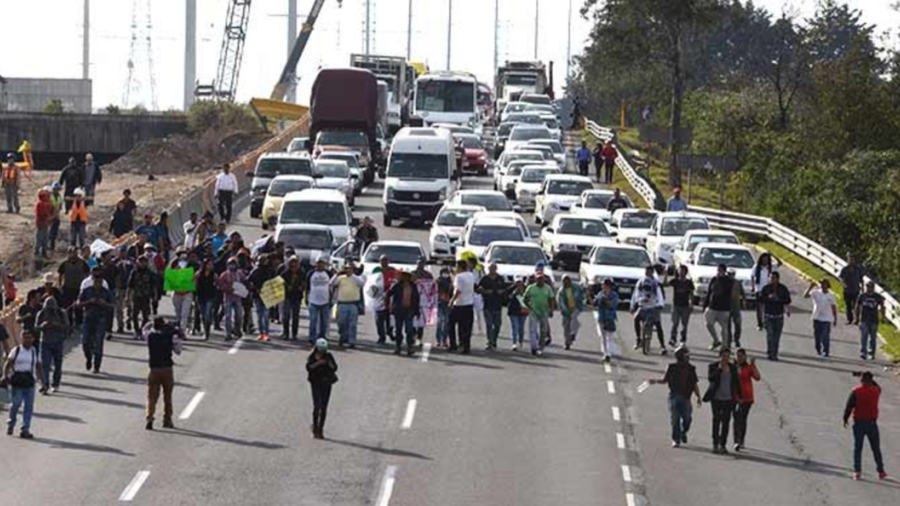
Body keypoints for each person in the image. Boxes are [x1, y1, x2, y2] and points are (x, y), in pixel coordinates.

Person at [648, 345, 702, 448]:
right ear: (680, 356)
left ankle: (683, 432)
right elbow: (665, 380)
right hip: (674, 397)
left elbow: (694, 384)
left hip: (686, 397)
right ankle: (676, 439)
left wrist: (698, 397)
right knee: (675, 418)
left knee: (687, 419)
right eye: (686, 356)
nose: (688, 358)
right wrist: (655, 381)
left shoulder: (691, 369)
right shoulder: (672, 367)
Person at [843, 371, 887, 481]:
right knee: (876, 448)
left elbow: (849, 406)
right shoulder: (876, 390)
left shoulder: (856, 391)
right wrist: (869, 378)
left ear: (861, 380)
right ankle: (881, 471)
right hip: (872, 423)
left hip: (859, 423)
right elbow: (876, 385)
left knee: (858, 448)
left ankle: (857, 472)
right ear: (871, 380)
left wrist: (845, 418)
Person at [145, 317, 183, 430]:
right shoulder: (170, 336)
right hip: (167, 369)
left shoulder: (150, 336)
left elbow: (144, 329)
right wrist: (174, 331)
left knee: (151, 396)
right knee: (167, 396)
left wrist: (151, 323)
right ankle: (167, 419)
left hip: (154, 369)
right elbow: (178, 351)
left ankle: (149, 417)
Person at [3, 329, 43, 439]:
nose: (27, 340)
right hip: (17, 381)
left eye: (29, 337)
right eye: (25, 337)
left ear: (33, 339)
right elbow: (8, 363)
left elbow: (39, 366)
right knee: (16, 403)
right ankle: (11, 423)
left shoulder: (34, 351)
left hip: (29, 382)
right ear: (21, 339)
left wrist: (43, 381)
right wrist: (4, 375)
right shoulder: (16, 350)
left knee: (28, 407)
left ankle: (25, 429)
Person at [704, 347, 741, 454]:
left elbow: (736, 383)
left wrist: (740, 396)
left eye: (728, 356)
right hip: (716, 399)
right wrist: (719, 369)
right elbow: (710, 379)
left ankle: (723, 444)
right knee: (716, 420)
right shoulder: (713, 366)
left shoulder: (732, 368)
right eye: (724, 356)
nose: (726, 358)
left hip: (729, 399)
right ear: (720, 356)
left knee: (726, 422)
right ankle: (715, 444)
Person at [79, 266, 114, 373]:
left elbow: (112, 305)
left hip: (100, 319)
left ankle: (97, 366)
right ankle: (89, 358)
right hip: (88, 318)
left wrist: (104, 304)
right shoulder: (86, 290)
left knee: (98, 343)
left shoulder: (105, 291)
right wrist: (89, 301)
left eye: (99, 280)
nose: (97, 282)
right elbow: (78, 304)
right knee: (85, 342)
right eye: (95, 280)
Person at [35, 297, 69, 394]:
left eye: (51, 308)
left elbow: (67, 326)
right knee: (45, 365)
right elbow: (36, 328)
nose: (50, 310)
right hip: (45, 342)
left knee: (58, 365)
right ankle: (45, 384)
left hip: (58, 342)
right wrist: (43, 326)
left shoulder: (61, 313)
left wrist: (57, 325)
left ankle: (56, 384)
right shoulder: (41, 313)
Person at [306, 338, 338, 439]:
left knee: (324, 407)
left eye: (324, 350)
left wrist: (328, 363)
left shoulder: (329, 356)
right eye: (321, 350)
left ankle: (321, 428)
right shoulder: (312, 357)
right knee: (317, 406)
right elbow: (309, 368)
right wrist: (318, 363)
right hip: (315, 383)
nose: (323, 352)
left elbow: (335, 368)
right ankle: (315, 427)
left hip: (326, 383)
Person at [631, 266, 667, 354]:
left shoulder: (656, 283)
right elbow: (636, 293)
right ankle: (638, 339)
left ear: (652, 272)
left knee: (658, 325)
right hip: (643, 306)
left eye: (649, 271)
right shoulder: (641, 281)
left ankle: (662, 346)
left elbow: (660, 295)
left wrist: (660, 305)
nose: (647, 273)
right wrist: (633, 304)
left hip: (653, 307)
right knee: (636, 319)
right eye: (646, 271)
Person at [331, 261, 365, 348]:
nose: (347, 270)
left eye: (349, 268)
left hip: (353, 304)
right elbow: (331, 283)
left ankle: (351, 341)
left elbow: (362, 283)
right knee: (341, 323)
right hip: (342, 304)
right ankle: (343, 337)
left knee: (352, 324)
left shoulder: (357, 278)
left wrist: (352, 274)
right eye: (346, 268)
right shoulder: (341, 278)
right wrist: (337, 274)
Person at [387, 270, 420, 357]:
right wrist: (389, 306)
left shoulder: (413, 286)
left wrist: (417, 311)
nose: (405, 278)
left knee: (409, 330)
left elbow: (416, 299)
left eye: (407, 276)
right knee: (398, 329)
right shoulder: (397, 286)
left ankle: (410, 347)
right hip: (398, 311)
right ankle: (398, 347)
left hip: (410, 310)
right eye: (403, 276)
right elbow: (388, 294)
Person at [759, 272, 791, 361]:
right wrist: (768, 297)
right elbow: (761, 301)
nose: (771, 279)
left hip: (779, 316)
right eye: (770, 278)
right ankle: (770, 352)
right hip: (768, 316)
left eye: (773, 278)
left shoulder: (783, 288)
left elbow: (787, 300)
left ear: (778, 278)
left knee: (776, 337)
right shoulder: (766, 288)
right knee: (770, 335)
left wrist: (780, 301)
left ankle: (775, 353)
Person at [732, 348, 760, 452]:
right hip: (735, 397)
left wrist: (753, 365)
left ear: (745, 357)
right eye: (737, 356)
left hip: (747, 398)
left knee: (742, 419)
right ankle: (736, 441)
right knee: (736, 418)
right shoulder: (732, 367)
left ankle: (741, 439)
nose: (739, 358)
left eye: (741, 356)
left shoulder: (748, 368)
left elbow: (757, 377)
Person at [804, 279, 838, 357]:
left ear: (828, 285)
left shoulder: (831, 295)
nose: (823, 285)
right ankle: (818, 348)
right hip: (817, 317)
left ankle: (826, 351)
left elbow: (834, 307)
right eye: (822, 284)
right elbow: (805, 296)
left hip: (827, 318)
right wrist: (810, 287)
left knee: (825, 335)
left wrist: (835, 319)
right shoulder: (816, 293)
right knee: (817, 336)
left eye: (824, 284)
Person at [524, 273, 555, 357]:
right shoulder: (531, 288)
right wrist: (529, 307)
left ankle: (540, 347)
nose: (540, 280)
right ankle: (533, 348)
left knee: (544, 331)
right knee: (532, 330)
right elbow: (525, 299)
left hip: (544, 311)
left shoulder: (547, 288)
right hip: (534, 311)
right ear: (535, 279)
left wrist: (551, 310)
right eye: (538, 279)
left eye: (541, 279)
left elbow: (551, 299)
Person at [478, 263, 507, 350]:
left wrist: (501, 292)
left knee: (497, 325)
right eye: (491, 268)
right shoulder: (485, 279)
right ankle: (489, 342)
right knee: (489, 324)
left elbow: (505, 289)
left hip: (498, 305)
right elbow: (479, 289)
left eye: (494, 268)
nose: (492, 270)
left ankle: (494, 340)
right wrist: (485, 291)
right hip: (487, 305)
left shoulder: (500, 279)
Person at [448, 259, 475, 354]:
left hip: (459, 304)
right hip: (469, 304)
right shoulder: (471, 275)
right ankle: (465, 346)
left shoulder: (459, 277)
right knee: (466, 327)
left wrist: (451, 301)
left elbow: (458, 290)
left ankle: (453, 344)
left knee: (451, 324)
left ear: (459, 267)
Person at [703, 264, 733, 350]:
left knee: (724, 328)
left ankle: (724, 346)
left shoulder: (728, 281)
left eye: (720, 270)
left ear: (724, 271)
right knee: (709, 324)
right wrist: (705, 304)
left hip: (724, 308)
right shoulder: (714, 279)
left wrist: (731, 308)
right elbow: (710, 291)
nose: (718, 272)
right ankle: (716, 340)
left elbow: (729, 293)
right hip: (712, 306)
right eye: (718, 270)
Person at [127, 255, 157, 339]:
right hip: (136, 297)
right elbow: (130, 285)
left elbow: (154, 285)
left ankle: (142, 330)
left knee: (146, 316)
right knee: (134, 315)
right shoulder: (134, 272)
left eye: (144, 261)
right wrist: (127, 296)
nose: (142, 263)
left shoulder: (150, 273)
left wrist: (155, 296)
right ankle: (137, 331)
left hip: (145, 297)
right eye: (140, 261)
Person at [217, 257, 247, 341]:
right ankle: (228, 333)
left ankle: (237, 329)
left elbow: (245, 282)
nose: (232, 266)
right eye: (230, 264)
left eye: (233, 264)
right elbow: (220, 285)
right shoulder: (224, 274)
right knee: (228, 316)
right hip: (228, 297)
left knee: (239, 316)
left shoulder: (240, 274)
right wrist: (228, 289)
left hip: (238, 297)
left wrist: (243, 289)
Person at [168, 249, 196, 333]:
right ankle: (179, 328)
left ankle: (182, 331)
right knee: (178, 313)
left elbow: (195, 278)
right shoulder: (173, 264)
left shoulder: (193, 265)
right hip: (176, 293)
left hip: (187, 293)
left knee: (185, 313)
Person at [751, 253, 782, 329]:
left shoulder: (771, 267)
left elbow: (780, 263)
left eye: (767, 259)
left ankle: (766, 322)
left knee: (767, 308)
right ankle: (759, 323)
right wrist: (753, 287)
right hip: (759, 289)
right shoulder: (757, 267)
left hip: (768, 290)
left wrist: (773, 255)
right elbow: (752, 276)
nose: (765, 261)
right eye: (763, 259)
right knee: (759, 308)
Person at [856, 281, 885, 361]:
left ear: (873, 287)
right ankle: (863, 353)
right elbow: (857, 306)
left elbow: (882, 306)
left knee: (872, 338)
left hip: (874, 319)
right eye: (868, 286)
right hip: (864, 319)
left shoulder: (877, 297)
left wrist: (883, 316)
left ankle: (871, 353)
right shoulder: (862, 296)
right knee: (864, 337)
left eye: (871, 287)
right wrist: (857, 318)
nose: (869, 288)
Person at [666, 265, 694, 346]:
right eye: (679, 270)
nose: (681, 272)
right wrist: (666, 274)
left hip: (685, 306)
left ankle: (683, 339)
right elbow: (664, 284)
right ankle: (673, 339)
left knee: (684, 325)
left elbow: (691, 294)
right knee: (674, 323)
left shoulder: (688, 282)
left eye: (682, 271)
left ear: (686, 272)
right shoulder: (675, 281)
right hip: (676, 305)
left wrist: (691, 304)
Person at [280, 256, 306, 341]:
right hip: (287, 297)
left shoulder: (301, 273)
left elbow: (304, 283)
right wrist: (286, 287)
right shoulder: (285, 273)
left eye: (295, 263)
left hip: (297, 297)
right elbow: (280, 283)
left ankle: (294, 334)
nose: (294, 264)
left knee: (295, 316)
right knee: (286, 316)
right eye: (292, 262)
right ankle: (285, 333)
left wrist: (301, 287)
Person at [594, 278, 619, 362]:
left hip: (610, 318)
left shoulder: (614, 295)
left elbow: (613, 305)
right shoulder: (600, 294)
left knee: (610, 337)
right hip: (601, 318)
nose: (602, 286)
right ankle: (605, 353)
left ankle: (609, 353)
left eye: (604, 285)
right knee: (603, 337)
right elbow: (595, 302)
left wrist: (605, 300)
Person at [557, 275, 584, 350]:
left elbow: (581, 294)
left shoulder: (576, 287)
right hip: (566, 310)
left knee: (573, 317)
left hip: (576, 307)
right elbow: (560, 302)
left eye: (568, 280)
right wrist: (565, 310)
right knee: (566, 326)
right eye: (564, 280)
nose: (566, 282)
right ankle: (567, 342)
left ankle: (573, 333)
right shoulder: (561, 291)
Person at [840, 254, 865, 324]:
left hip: (856, 290)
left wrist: (863, 288)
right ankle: (849, 319)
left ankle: (856, 319)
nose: (851, 261)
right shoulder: (845, 269)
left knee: (856, 305)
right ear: (847, 260)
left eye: (852, 259)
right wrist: (843, 284)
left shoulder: (858, 269)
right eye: (849, 259)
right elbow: (841, 278)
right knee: (848, 305)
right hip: (847, 290)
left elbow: (861, 279)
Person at [506, 277, 527, 352]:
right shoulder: (511, 290)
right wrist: (514, 289)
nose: (519, 284)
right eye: (517, 283)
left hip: (523, 312)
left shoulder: (526, 290)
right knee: (515, 327)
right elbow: (506, 296)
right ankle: (514, 343)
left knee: (521, 328)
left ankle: (520, 341)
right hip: (513, 312)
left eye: (520, 283)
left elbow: (529, 299)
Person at [34, 188, 55, 258]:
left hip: (44, 224)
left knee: (44, 239)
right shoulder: (40, 204)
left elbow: (52, 210)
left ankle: (43, 253)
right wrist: (49, 217)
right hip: (41, 224)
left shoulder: (46, 203)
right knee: (39, 239)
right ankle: (37, 253)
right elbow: (42, 215)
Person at [436, 267, 453, 348]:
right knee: (440, 322)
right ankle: (439, 340)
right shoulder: (438, 281)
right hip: (440, 302)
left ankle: (444, 340)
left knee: (446, 322)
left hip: (448, 303)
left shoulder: (451, 281)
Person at [728, 269, 745, 348]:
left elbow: (743, 293)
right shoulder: (725, 283)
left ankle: (736, 339)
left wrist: (744, 302)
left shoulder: (737, 283)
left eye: (732, 274)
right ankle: (728, 340)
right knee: (727, 326)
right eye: (729, 274)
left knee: (738, 325)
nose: (731, 275)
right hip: (726, 307)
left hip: (736, 307)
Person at [48, 182, 64, 251]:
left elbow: (60, 206)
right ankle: (47, 246)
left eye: (57, 189)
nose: (56, 190)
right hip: (50, 216)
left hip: (57, 216)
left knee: (54, 233)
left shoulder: (59, 196)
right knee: (49, 232)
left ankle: (52, 246)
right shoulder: (50, 196)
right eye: (55, 189)